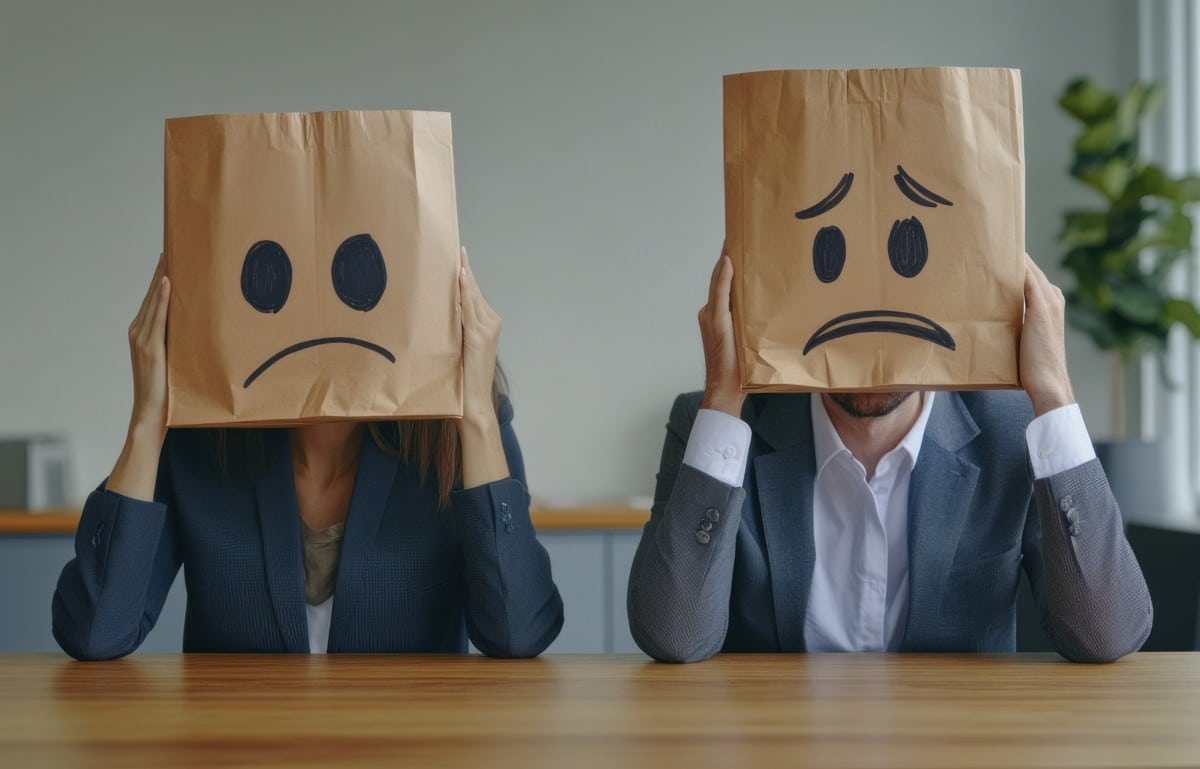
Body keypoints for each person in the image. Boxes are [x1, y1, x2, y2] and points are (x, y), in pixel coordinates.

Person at [628, 249, 1152, 663]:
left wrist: (1054, 394)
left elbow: (1108, 634)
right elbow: (674, 636)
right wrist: (724, 395)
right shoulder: (718, 424)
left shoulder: (1012, 429)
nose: (872, 340)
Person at [53, 249, 563, 660]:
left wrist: (474, 413)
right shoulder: (200, 436)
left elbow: (517, 634)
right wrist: (147, 421)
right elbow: (96, 632)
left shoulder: (455, 435)